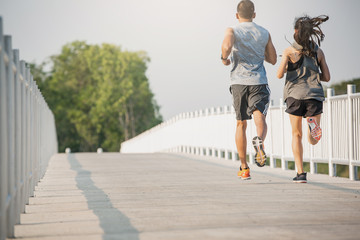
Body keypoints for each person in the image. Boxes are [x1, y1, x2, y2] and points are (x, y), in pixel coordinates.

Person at [221, 0, 277, 180]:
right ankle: (259, 139)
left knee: (241, 123)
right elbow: (273, 59)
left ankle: (244, 168)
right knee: (259, 114)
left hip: (238, 82)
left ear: (237, 15)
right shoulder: (264, 32)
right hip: (259, 81)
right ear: (254, 14)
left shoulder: (232, 30)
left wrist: (224, 59)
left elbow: (226, 47)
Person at [277, 15, 330, 183]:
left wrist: (287, 65)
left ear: (295, 32)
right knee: (312, 140)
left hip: (295, 96)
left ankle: (300, 173)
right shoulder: (318, 51)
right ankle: (313, 128)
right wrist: (311, 74)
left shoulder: (289, 51)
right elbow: (327, 77)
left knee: (296, 134)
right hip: (314, 95)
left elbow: (279, 75)